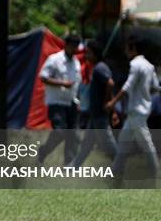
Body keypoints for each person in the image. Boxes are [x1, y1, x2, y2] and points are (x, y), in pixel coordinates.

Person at [105, 35, 161, 182]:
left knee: (146, 143)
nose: (125, 51)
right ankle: (114, 173)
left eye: (127, 48)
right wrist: (145, 96)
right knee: (124, 143)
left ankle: (155, 172)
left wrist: (113, 101)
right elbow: (155, 87)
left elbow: (128, 86)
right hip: (139, 111)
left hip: (137, 111)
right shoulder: (149, 66)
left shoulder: (135, 65)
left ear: (133, 48)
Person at [70, 40, 118, 167]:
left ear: (96, 54)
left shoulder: (99, 68)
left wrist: (106, 102)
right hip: (94, 113)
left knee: (108, 144)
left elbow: (110, 84)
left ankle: (119, 164)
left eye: (89, 53)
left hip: (99, 114)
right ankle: (74, 167)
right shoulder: (97, 68)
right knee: (87, 143)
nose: (87, 56)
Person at [36, 35, 82, 165]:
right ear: (66, 45)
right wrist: (61, 83)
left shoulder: (76, 63)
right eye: (73, 46)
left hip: (72, 102)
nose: (75, 49)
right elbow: (43, 77)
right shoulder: (54, 59)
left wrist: (78, 99)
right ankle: (43, 151)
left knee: (72, 134)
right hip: (57, 101)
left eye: (76, 47)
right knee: (60, 131)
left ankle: (69, 164)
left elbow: (76, 83)